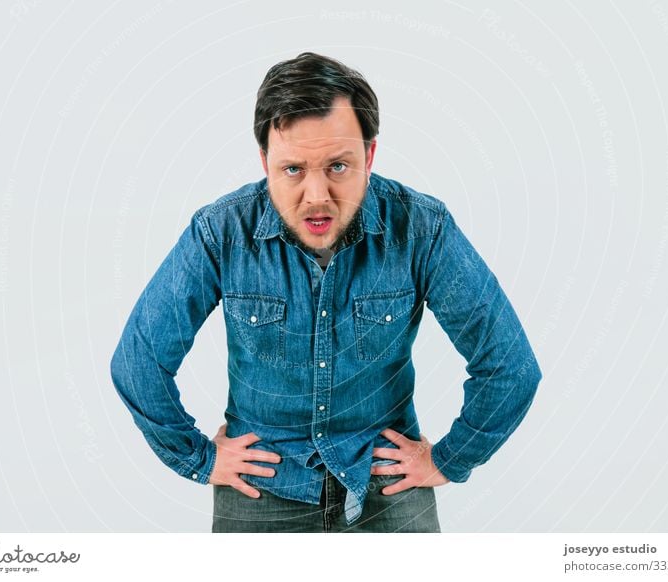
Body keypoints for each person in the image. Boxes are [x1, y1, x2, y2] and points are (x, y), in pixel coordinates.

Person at [110, 52, 542, 533]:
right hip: (261, 488)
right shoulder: (221, 232)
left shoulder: (422, 229)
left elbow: (511, 367)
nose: (316, 195)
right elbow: (138, 362)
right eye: (293, 169)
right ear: (265, 161)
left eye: (338, 166)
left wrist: (449, 459)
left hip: (387, 486)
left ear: (370, 156)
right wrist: (197, 458)